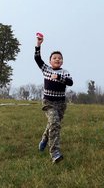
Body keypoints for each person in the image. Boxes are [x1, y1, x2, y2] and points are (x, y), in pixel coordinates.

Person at [34, 33, 73, 163]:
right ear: (50, 61)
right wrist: (38, 45)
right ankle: (55, 152)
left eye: (59, 58)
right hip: (48, 103)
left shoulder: (64, 72)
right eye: (54, 58)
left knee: (53, 123)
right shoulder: (46, 69)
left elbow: (70, 82)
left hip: (61, 104)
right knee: (55, 123)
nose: (57, 59)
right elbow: (37, 59)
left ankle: (45, 138)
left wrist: (59, 77)